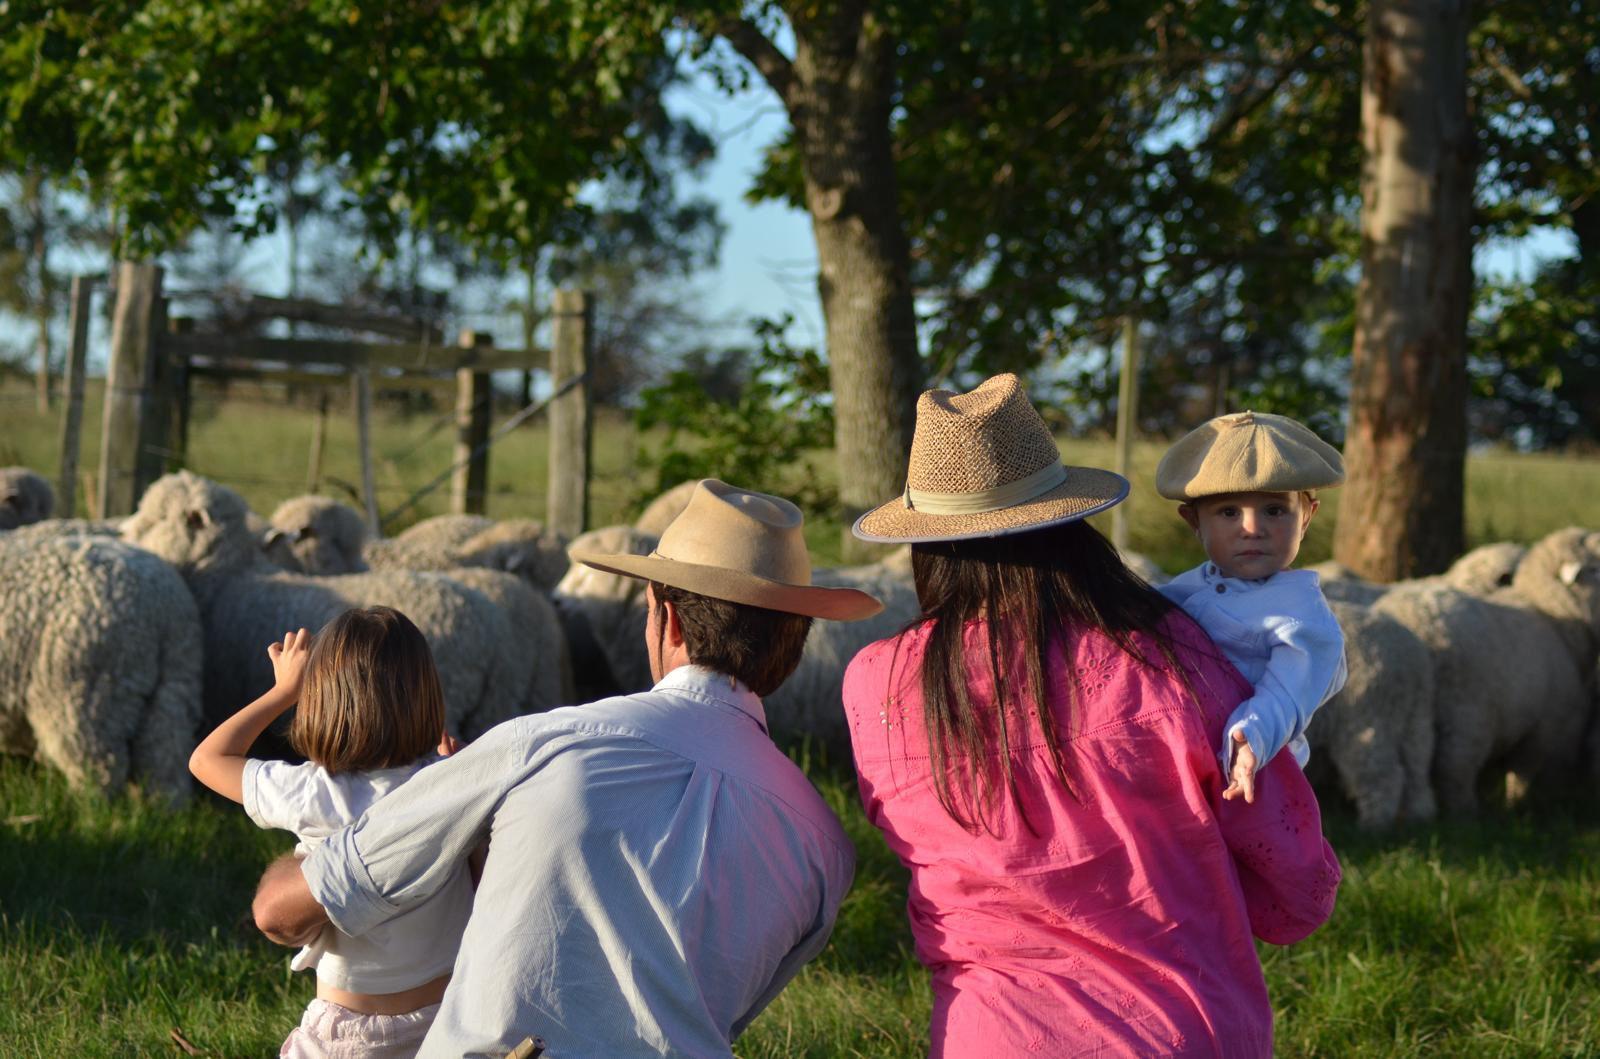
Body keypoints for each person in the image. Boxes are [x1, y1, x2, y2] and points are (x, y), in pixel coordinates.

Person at [250, 479, 883, 1057]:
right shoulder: (824, 848)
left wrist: (322, 818)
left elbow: (285, 911)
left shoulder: (544, 744)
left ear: (667, 615)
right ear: (797, 641)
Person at [844, 374, 1341, 1056]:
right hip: (1176, 1025)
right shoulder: (1167, 657)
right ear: (1069, 522)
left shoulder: (877, 682)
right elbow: (1295, 885)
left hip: (987, 1034)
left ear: (927, 540)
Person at [189, 606, 473, 1058]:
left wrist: (283, 691)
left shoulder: (314, 792)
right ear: (425, 695)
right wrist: (460, 765)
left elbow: (207, 761)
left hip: (349, 1034)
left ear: (323, 699)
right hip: (447, 1021)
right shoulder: (454, 786)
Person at [1153, 410, 1348, 803]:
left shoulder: (1301, 615)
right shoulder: (1190, 586)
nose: (1252, 528)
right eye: (1229, 512)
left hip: (1254, 774)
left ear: (1307, 515)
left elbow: (1286, 694)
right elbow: (1148, 620)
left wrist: (1251, 738)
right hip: (1186, 762)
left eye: (1274, 510)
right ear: (1194, 521)